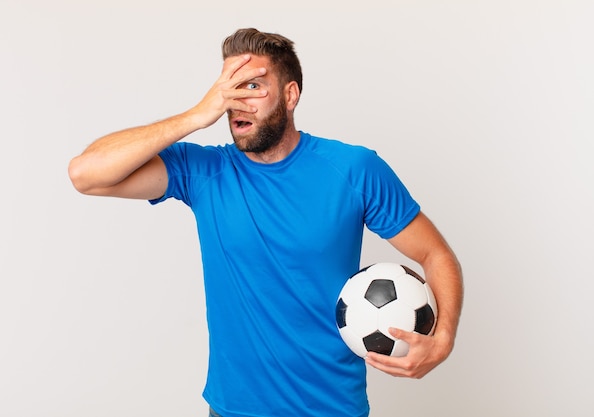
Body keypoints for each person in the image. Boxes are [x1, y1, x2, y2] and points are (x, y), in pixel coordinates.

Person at [68, 28, 463, 417]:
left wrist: (442, 340)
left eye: (253, 86)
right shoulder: (204, 172)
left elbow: (435, 254)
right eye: (229, 88)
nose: (237, 102)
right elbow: (86, 174)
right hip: (233, 410)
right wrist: (195, 116)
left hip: (331, 409)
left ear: (290, 95)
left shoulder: (354, 170)